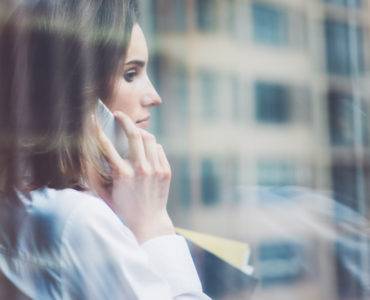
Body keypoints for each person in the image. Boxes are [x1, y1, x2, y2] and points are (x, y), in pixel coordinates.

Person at [0, 0, 211, 299]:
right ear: (75, 91)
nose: (154, 96)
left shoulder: (24, 204)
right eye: (130, 74)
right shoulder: (78, 220)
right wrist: (154, 226)